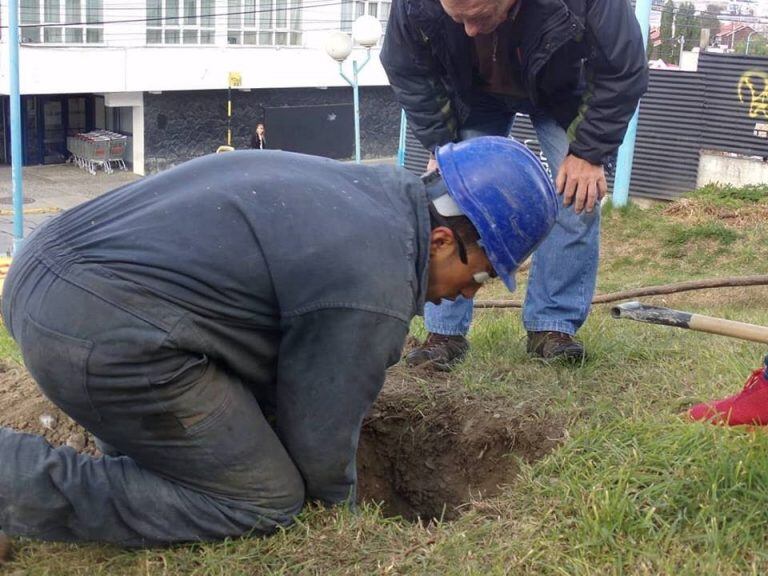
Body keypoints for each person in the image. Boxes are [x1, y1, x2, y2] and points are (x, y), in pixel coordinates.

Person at [0, 137, 556, 548]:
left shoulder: (376, 192)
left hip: (50, 275)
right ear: (441, 240)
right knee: (264, 499)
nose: (468, 296)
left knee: (221, 445)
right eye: (483, 276)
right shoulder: (376, 284)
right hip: (96, 326)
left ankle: (153, 461)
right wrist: (341, 517)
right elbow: (319, 442)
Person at [381, 0, 648, 368]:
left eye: (476, 17)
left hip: (563, 91)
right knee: (452, 199)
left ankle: (552, 325)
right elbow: (406, 67)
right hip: (472, 92)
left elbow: (623, 68)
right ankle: (443, 331)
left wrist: (589, 153)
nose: (469, 31)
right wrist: (441, 142)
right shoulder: (416, 4)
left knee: (577, 195)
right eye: (457, 20)